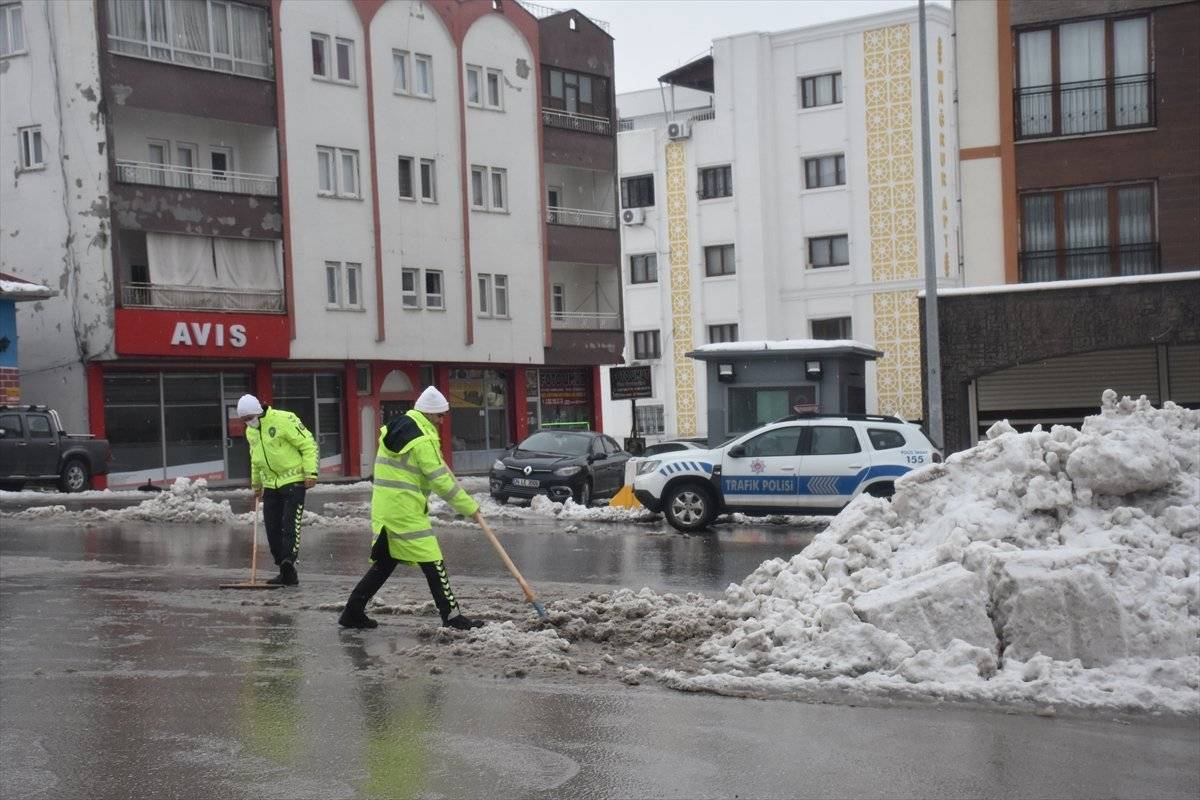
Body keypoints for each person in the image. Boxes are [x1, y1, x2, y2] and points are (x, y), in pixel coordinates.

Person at [339, 386, 485, 630]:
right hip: (404, 510)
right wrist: (469, 507)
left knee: (385, 564)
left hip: (388, 508)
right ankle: (451, 616)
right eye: (440, 415)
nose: (441, 421)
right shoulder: (423, 439)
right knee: (432, 559)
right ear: (429, 414)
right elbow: (440, 481)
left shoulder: (401, 427)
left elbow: (420, 473)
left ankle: (353, 611)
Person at [237, 394, 317, 586]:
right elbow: (255, 458)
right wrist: (256, 484)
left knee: (289, 525)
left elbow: (307, 444)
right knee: (272, 529)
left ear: (258, 412)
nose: (248, 422)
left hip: (294, 481)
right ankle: (284, 569)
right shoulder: (251, 432)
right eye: (244, 420)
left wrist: (311, 472)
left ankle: (288, 562)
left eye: (250, 418)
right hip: (271, 484)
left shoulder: (284, 419)